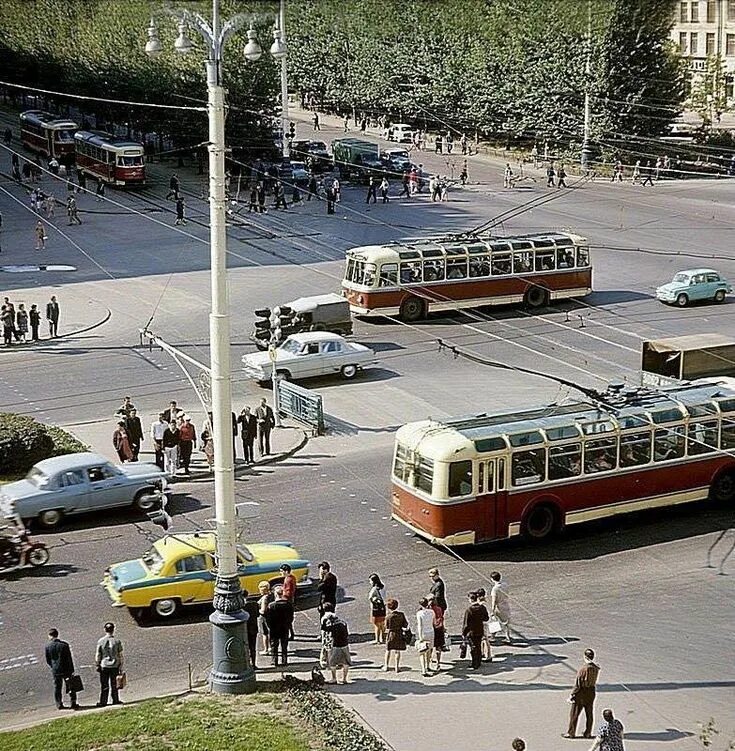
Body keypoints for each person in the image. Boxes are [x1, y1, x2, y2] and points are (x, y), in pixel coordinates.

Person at [564, 648, 601, 739]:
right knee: (589, 713)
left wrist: (572, 695)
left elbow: (578, 684)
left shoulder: (583, 669)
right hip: (591, 691)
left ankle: (571, 733)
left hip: (582, 692)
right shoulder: (596, 668)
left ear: (585, 657)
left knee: (574, 713)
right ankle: (588, 732)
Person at [45, 628, 79, 710]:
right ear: (57, 634)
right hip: (66, 669)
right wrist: (72, 670)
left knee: (57, 687)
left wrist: (53, 666)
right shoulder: (64, 645)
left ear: (49, 636)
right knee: (71, 686)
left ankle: (59, 703)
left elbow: (48, 660)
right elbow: (69, 659)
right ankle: (73, 702)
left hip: (56, 670)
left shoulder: (48, 646)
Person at [95, 622, 123, 707]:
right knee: (114, 684)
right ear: (113, 630)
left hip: (104, 665)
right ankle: (115, 699)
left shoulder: (101, 641)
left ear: (105, 629)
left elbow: (98, 654)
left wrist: (97, 664)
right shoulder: (117, 641)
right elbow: (120, 655)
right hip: (114, 665)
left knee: (104, 684)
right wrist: (121, 665)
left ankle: (103, 701)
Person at [321, 604, 351, 684]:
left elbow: (324, 629)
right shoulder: (343, 623)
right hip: (345, 644)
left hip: (336, 645)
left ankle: (334, 678)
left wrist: (324, 622)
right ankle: (344, 679)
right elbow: (347, 634)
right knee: (346, 662)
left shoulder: (332, 625)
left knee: (333, 663)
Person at [265, 585, 294, 667]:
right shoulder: (288, 604)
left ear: (275, 594)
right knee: (284, 645)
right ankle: (284, 661)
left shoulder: (271, 605)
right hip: (284, 627)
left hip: (274, 628)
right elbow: (291, 617)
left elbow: (268, 618)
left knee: (274, 645)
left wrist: (270, 626)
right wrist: (288, 625)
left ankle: (275, 661)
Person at [462, 591, 489, 669]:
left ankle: (475, 663)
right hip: (480, 630)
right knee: (478, 646)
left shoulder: (469, 610)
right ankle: (479, 661)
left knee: (473, 648)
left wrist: (463, 633)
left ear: (470, 599)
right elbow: (486, 618)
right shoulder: (482, 608)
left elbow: (466, 624)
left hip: (472, 632)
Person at [383, 598, 408, 673]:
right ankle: (397, 667)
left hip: (391, 634)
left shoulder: (388, 617)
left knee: (388, 650)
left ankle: (386, 666)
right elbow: (405, 624)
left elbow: (386, 627)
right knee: (397, 651)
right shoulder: (401, 614)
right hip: (399, 633)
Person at [490, 570, 512, 642]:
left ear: (492, 579)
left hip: (498, 606)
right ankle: (507, 637)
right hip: (506, 604)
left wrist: (492, 610)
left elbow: (494, 600)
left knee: (494, 621)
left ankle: (493, 637)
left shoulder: (495, 589)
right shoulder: (505, 585)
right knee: (506, 622)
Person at [416, 597, 435, 676]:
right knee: (429, 650)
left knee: (422, 652)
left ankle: (423, 669)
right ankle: (428, 666)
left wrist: (420, 637)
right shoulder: (432, 612)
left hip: (423, 633)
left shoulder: (419, 613)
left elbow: (420, 626)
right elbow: (433, 622)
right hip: (431, 632)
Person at [243, 589, 260, 670]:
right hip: (253, 628)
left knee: (244, 648)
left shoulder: (241, 606)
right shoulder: (254, 604)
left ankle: (246, 664)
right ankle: (254, 664)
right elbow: (257, 615)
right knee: (253, 647)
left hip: (244, 630)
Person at [428, 593, 446, 669]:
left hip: (431, 629)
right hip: (439, 628)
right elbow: (441, 618)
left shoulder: (428, 610)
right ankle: (438, 663)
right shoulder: (439, 609)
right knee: (438, 647)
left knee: (430, 647)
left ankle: (429, 661)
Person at [280, 563, 297, 640]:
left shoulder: (288, 580)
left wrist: (282, 595)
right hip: (291, 600)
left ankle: (290, 634)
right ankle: (291, 633)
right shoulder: (292, 577)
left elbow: (288, 592)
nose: (281, 573)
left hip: (287, 601)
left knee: (286, 619)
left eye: (282, 571)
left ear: (286, 571)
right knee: (289, 619)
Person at [368, 572, 387, 644]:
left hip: (375, 609)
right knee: (382, 623)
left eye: (370, 581)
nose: (370, 582)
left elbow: (370, 598)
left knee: (376, 625)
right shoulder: (383, 587)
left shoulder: (374, 589)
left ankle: (377, 639)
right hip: (383, 607)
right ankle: (383, 638)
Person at [257, 581, 274, 656]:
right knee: (271, 632)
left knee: (265, 634)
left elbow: (263, 610)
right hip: (271, 616)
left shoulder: (264, 598)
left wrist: (257, 610)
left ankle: (266, 649)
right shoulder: (272, 595)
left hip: (264, 618)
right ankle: (272, 648)